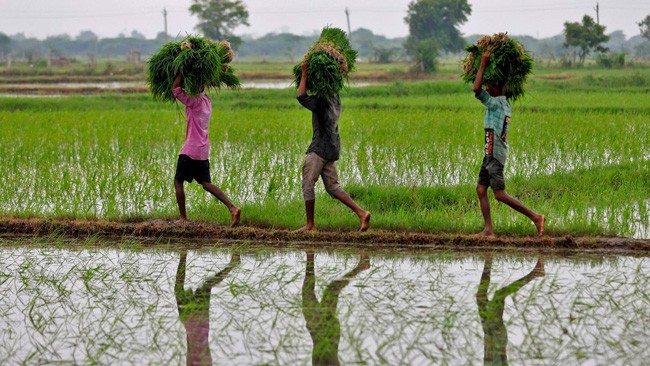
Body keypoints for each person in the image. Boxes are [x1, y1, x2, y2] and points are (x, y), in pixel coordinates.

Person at [473, 50, 545, 237]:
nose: (486, 88)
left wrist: (483, 63)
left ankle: (536, 217)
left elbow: (475, 90)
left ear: (497, 88)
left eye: (490, 85)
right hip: (490, 152)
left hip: (495, 153)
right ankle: (488, 230)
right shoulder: (503, 102)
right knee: (481, 189)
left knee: (499, 194)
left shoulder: (495, 103)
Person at [296, 61, 371, 232]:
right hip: (332, 147)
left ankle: (310, 225)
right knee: (332, 187)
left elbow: (301, 96)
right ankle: (361, 213)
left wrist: (304, 73)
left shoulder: (321, 100)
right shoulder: (335, 97)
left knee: (308, 184)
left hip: (320, 148)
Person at [172, 73, 240, 226]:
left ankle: (183, 219)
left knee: (178, 181)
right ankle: (232, 208)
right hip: (202, 150)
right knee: (205, 183)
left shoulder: (194, 101)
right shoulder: (207, 101)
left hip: (190, 149)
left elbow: (175, 90)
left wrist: (181, 73)